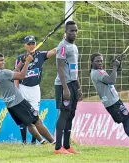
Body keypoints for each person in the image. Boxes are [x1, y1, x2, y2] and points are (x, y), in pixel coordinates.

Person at [0, 52, 54, 145]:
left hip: (10, 105)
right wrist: (27, 62)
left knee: (28, 123)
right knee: (37, 120)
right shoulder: (3, 73)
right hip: (19, 102)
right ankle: (54, 143)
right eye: (1, 60)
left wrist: (21, 62)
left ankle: (42, 142)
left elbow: (14, 72)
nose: (4, 62)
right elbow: (22, 76)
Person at [14, 35, 56, 145]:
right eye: (29, 44)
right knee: (24, 116)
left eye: (33, 43)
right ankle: (24, 142)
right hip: (23, 88)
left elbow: (53, 51)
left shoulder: (41, 55)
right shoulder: (20, 58)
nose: (31, 46)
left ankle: (34, 142)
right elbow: (16, 74)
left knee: (35, 115)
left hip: (35, 89)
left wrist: (64, 41)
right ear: (25, 45)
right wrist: (17, 89)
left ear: (36, 44)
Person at [54, 20, 82, 154]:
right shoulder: (62, 46)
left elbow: (75, 69)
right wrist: (65, 88)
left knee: (71, 114)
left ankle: (67, 145)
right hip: (63, 84)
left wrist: (78, 87)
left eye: (76, 30)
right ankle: (58, 147)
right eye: (71, 30)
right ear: (65, 32)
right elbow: (60, 68)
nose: (74, 33)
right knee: (64, 113)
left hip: (73, 84)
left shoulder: (74, 47)